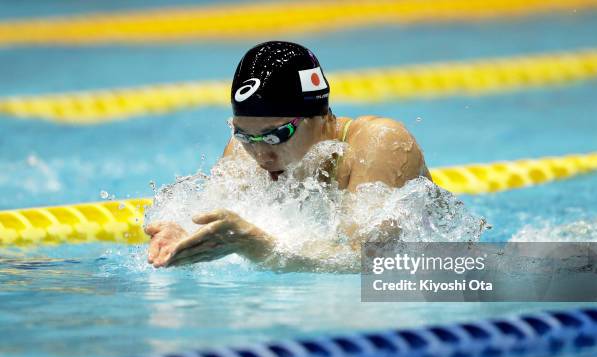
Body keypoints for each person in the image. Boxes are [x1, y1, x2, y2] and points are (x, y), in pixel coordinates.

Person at [146, 41, 431, 268]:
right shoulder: (243, 153)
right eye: (245, 135)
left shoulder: (378, 143)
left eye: (277, 135)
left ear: (321, 118)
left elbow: (374, 262)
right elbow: (219, 228)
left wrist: (260, 246)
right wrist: (186, 240)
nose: (261, 154)